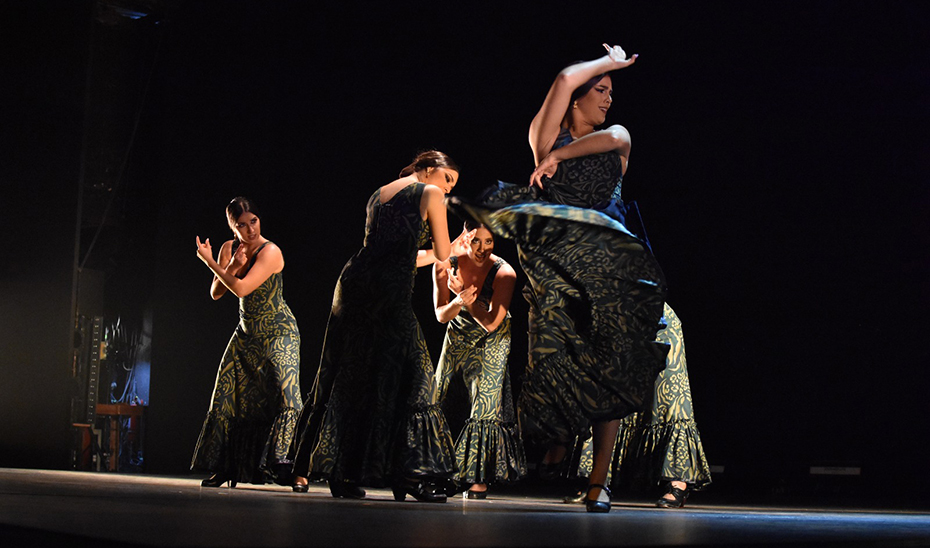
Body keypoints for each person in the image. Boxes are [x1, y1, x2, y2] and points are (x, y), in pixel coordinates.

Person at [448, 44, 668, 513]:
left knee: (614, 365)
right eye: (601, 90)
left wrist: (557, 163)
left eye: (611, 91)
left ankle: (599, 482)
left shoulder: (616, 137)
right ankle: (560, 436)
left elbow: (613, 140)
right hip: (562, 270)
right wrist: (609, 63)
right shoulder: (544, 139)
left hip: (611, 265)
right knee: (555, 361)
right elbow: (566, 77)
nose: (608, 99)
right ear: (576, 101)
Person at [290, 150, 472, 502]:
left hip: (354, 284)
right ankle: (412, 475)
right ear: (431, 170)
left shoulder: (379, 192)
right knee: (416, 373)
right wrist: (455, 247)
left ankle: (345, 475)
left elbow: (400, 252)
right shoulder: (430, 193)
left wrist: (444, 250)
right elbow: (442, 253)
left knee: (355, 375)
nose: (447, 191)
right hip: (387, 292)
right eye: (448, 180)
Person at [191, 197, 302, 488]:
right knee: (227, 395)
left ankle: (292, 468)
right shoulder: (231, 248)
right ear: (232, 226)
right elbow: (217, 293)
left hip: (278, 331)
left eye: (253, 221)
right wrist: (229, 263)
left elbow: (240, 288)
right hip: (246, 333)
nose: (250, 229)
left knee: (286, 396)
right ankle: (228, 466)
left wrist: (211, 262)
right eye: (241, 224)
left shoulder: (271, 251)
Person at [565, 304, 712, 508]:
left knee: (669, 395)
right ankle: (596, 482)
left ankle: (679, 480)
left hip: (656, 319)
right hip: (615, 321)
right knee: (611, 395)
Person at [431, 221, 527, 498]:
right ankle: (442, 470)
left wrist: (468, 300)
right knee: (443, 395)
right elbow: (440, 315)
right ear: (465, 235)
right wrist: (459, 300)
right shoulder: (445, 263)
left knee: (483, 401)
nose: (483, 249)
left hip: (492, 338)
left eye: (489, 242)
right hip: (458, 330)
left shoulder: (504, 272)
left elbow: (492, 323)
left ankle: (476, 477)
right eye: (476, 241)